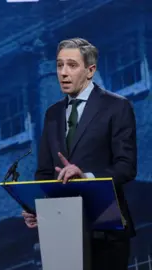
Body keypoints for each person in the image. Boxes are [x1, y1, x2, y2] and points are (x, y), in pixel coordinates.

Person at [22, 38, 137, 270]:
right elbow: (45, 171)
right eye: (59, 65)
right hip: (63, 232)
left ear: (90, 70)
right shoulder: (52, 114)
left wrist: (87, 178)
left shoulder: (116, 106)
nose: (63, 73)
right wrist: (38, 206)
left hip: (106, 230)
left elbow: (126, 167)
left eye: (72, 65)